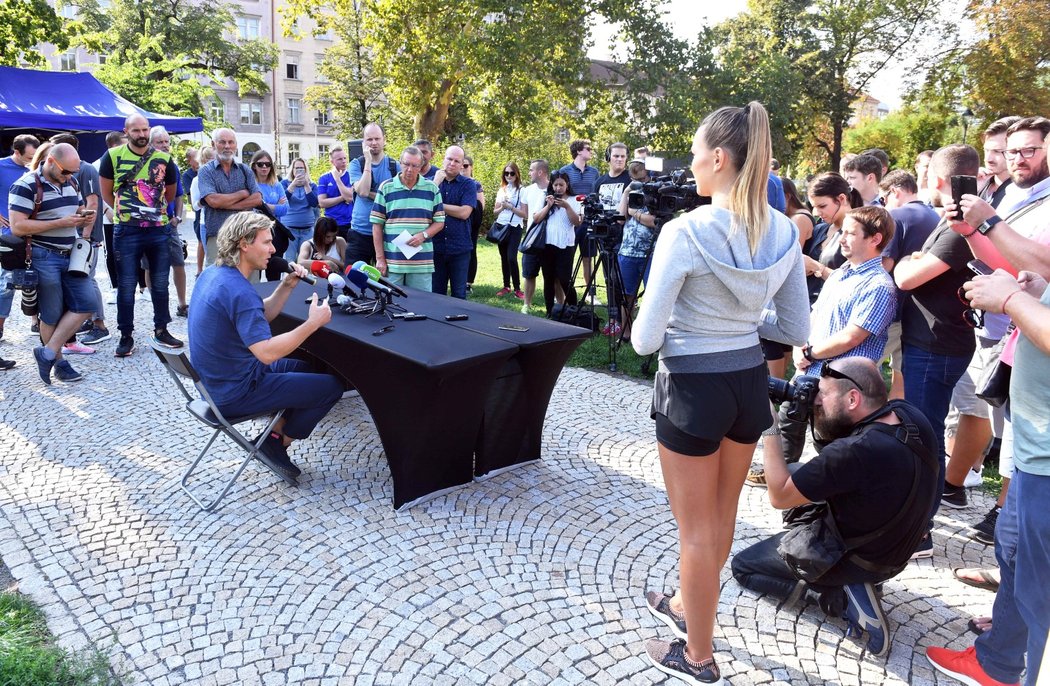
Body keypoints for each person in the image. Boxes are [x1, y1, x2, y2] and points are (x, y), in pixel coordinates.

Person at [632, 101, 810, 685]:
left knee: (695, 530)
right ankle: (690, 603)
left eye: (693, 153)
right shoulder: (784, 229)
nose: (689, 164)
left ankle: (699, 656)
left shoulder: (685, 232)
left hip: (690, 386)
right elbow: (794, 330)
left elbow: (643, 340)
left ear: (718, 157)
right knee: (722, 514)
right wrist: (741, 321)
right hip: (747, 383)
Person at [732, 358, 938, 657]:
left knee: (743, 567)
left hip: (863, 558)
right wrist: (819, 415)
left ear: (853, 398)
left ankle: (837, 593)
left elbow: (779, 494)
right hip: (897, 549)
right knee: (795, 469)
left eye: (823, 395)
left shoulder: (854, 452)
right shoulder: (908, 416)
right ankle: (853, 580)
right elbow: (836, 461)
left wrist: (770, 425)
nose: (816, 399)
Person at [927, 267, 1050, 686]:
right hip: (1036, 449)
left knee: (1036, 583)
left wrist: (1013, 300)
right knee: (1015, 552)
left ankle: (1010, 664)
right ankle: (998, 657)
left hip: (1046, 458)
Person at [188, 212, 344, 484]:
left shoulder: (214, 274)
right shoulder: (240, 291)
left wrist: (286, 287)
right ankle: (277, 441)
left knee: (303, 367)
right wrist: (312, 323)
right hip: (234, 391)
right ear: (243, 244)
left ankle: (274, 431)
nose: (274, 249)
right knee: (331, 387)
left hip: (215, 384)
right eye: (266, 242)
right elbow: (267, 352)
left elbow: (257, 317)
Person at [749, 206, 897, 483]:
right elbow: (815, 315)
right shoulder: (841, 273)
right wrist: (799, 345)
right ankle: (778, 476)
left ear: (875, 239)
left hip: (842, 383)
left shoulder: (879, 285)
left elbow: (853, 336)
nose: (842, 238)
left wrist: (810, 352)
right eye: (843, 232)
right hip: (811, 369)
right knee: (789, 422)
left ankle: (834, 489)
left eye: (851, 233)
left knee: (831, 444)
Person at [8, 143, 96, 384]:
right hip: (42, 255)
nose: (70, 177)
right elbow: (18, 227)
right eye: (66, 172)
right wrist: (60, 222)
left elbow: (75, 208)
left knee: (87, 302)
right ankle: (58, 362)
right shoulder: (25, 185)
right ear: (50, 162)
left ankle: (46, 353)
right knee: (51, 314)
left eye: (73, 172)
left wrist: (84, 214)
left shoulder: (71, 182)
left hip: (72, 254)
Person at [99, 114, 182, 358]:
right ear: (126, 131)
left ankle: (161, 328)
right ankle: (126, 334)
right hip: (126, 229)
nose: (141, 134)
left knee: (160, 282)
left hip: (158, 229)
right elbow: (106, 192)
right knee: (126, 285)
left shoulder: (165, 159)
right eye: (136, 130)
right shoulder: (112, 156)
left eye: (145, 129)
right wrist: (127, 213)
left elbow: (169, 194)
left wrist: (152, 213)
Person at [371, 145, 444, 291]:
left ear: (421, 166)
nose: (409, 169)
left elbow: (440, 222)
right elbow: (377, 225)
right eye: (406, 164)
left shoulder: (432, 189)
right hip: (393, 261)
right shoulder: (386, 187)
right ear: (400, 163)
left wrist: (423, 235)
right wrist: (380, 259)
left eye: (414, 165)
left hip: (421, 262)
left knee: (420, 306)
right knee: (392, 304)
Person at [197, 128, 262, 269]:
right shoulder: (206, 171)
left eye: (231, 142)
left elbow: (257, 199)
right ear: (213, 145)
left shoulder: (245, 170)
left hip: (246, 235)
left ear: (236, 145)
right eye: (222, 142)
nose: (227, 146)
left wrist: (225, 204)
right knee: (217, 280)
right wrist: (242, 194)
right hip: (218, 236)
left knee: (248, 282)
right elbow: (213, 201)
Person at [611, 159, 658, 338]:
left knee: (652, 296)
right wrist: (626, 192)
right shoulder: (631, 192)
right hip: (628, 251)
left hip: (651, 252)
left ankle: (648, 334)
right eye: (637, 178)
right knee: (627, 295)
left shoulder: (657, 192)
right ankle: (626, 331)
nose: (642, 182)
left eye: (644, 178)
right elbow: (620, 218)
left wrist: (634, 213)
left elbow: (653, 221)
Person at [0, 133, 39, 346]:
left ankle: (36, 321)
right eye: (29, 157)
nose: (33, 162)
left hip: (35, 235)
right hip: (9, 238)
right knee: (6, 285)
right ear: (16, 152)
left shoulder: (35, 169)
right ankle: (0, 328)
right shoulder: (2, 167)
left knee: (35, 280)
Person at [148, 126, 189, 318]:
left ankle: (182, 304)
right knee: (149, 266)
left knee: (178, 263)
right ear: (151, 144)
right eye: (160, 142)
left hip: (169, 224)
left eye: (166, 142)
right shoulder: (144, 166)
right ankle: (156, 303)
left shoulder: (172, 166)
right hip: (147, 225)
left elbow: (179, 195)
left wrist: (178, 217)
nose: (164, 145)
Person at [530, 170, 581, 316]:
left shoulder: (575, 199)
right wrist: (548, 206)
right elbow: (536, 219)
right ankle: (549, 311)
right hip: (547, 244)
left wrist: (567, 207)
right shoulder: (545, 198)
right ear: (552, 185)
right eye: (556, 184)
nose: (558, 188)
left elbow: (577, 222)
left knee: (565, 279)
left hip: (566, 244)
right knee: (548, 278)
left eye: (561, 185)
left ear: (567, 185)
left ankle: (573, 309)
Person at [804, 172, 859, 303]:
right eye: (814, 207)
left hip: (838, 308)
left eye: (822, 206)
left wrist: (817, 267)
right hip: (809, 306)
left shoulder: (861, 232)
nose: (816, 212)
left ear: (842, 199)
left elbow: (858, 282)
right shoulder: (819, 229)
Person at [349, 123, 399, 265]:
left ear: (384, 140)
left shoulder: (395, 166)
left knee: (385, 281)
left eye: (377, 139)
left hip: (387, 233)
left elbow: (397, 198)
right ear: (363, 142)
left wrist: (375, 195)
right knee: (353, 278)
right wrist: (368, 162)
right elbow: (363, 191)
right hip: (360, 231)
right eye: (369, 139)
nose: (374, 143)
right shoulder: (356, 164)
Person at [433, 146, 475, 299]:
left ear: (462, 164)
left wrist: (438, 206)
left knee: (459, 295)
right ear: (443, 159)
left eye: (457, 161)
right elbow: (423, 207)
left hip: (460, 248)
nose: (452, 163)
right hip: (436, 247)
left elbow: (464, 213)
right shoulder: (432, 182)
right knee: (436, 294)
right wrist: (435, 183)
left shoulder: (468, 184)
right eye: (449, 159)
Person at [560, 140, 600, 295]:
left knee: (588, 258)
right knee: (567, 258)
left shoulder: (594, 172)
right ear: (578, 151)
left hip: (588, 219)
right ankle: (564, 294)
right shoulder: (565, 170)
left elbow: (596, 194)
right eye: (588, 149)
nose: (591, 151)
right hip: (570, 220)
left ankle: (591, 294)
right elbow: (561, 192)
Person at [249, 150, 289, 281]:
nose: (265, 167)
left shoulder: (276, 184)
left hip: (275, 233)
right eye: (261, 164)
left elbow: (285, 209)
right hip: (255, 233)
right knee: (255, 273)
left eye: (268, 164)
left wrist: (265, 205)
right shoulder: (251, 185)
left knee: (274, 273)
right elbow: (254, 205)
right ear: (254, 166)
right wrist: (275, 205)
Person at [491, 161, 528, 299]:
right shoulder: (502, 190)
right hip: (501, 226)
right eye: (506, 173)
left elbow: (525, 214)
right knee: (504, 258)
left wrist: (511, 207)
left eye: (512, 173)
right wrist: (503, 206)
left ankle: (518, 289)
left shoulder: (522, 191)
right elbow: (495, 211)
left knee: (512, 258)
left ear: (517, 174)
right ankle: (506, 286)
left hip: (514, 227)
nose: (509, 175)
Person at [520, 159, 553, 313]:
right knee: (529, 273)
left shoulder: (555, 188)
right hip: (532, 237)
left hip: (551, 239)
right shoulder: (527, 190)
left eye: (531, 170)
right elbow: (526, 215)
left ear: (540, 172)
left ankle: (556, 304)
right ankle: (526, 304)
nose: (529, 172)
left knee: (553, 275)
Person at [281, 157, 320, 263]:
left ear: (306, 170)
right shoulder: (285, 183)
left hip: (307, 230)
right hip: (289, 230)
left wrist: (306, 185)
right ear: (292, 170)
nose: (299, 171)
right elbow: (283, 200)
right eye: (296, 168)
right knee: (290, 261)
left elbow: (314, 203)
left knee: (306, 262)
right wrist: (293, 184)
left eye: (302, 168)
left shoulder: (312, 185)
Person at [316, 146, 354, 239]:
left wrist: (337, 179)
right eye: (340, 159)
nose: (344, 161)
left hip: (350, 223)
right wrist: (342, 197)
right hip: (332, 224)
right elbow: (322, 202)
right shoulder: (324, 178)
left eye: (345, 158)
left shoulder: (352, 175)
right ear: (332, 161)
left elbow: (349, 198)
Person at [189, 145, 215, 272]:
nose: (213, 161)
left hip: (224, 221)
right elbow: (195, 206)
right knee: (212, 261)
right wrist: (205, 200)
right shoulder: (196, 180)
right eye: (209, 159)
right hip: (206, 223)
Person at [462, 155, 485, 295]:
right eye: (461, 165)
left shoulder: (475, 185)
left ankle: (468, 282)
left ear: (471, 168)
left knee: (472, 250)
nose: (463, 168)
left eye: (466, 166)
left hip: (472, 222)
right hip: (458, 223)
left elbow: (481, 206)